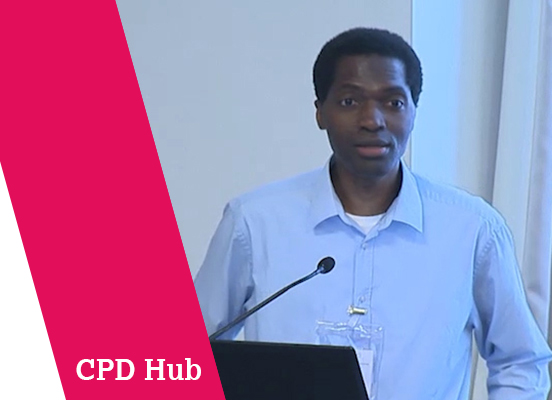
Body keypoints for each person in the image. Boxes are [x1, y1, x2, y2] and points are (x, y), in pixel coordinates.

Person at [194, 27, 552, 399]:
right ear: (320, 111)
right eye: (350, 101)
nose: (372, 120)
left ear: (414, 111)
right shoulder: (255, 222)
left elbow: (521, 360)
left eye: (393, 103)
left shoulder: (472, 229)